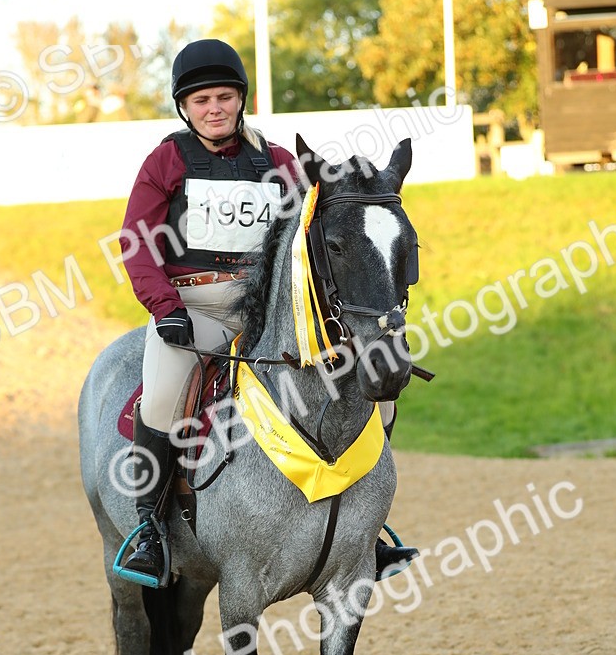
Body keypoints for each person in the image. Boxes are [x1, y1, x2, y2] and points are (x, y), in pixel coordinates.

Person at [120, 38, 416, 582]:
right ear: (184, 107)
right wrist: (165, 307)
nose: (215, 108)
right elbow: (137, 244)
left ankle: (364, 530)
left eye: (225, 97)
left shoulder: (278, 162)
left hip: (274, 308)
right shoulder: (167, 160)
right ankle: (148, 529)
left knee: (376, 388)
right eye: (202, 99)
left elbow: (323, 228)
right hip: (196, 303)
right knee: (164, 399)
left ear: (241, 100)